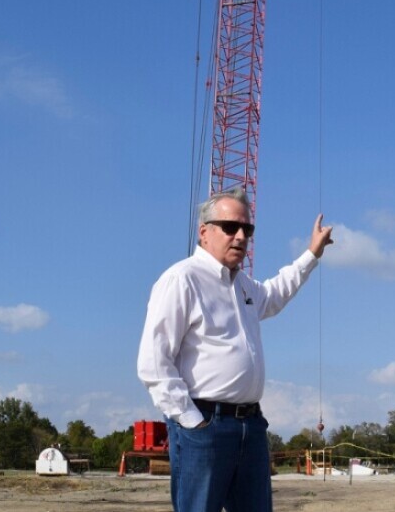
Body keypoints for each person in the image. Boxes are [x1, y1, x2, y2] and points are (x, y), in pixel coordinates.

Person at [137, 187, 333, 512]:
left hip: (251, 427)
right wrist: (191, 421)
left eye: (248, 229)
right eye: (230, 227)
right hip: (205, 427)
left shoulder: (242, 285)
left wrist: (311, 254)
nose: (241, 236)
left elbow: (277, 291)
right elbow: (154, 363)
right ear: (204, 232)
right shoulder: (181, 280)